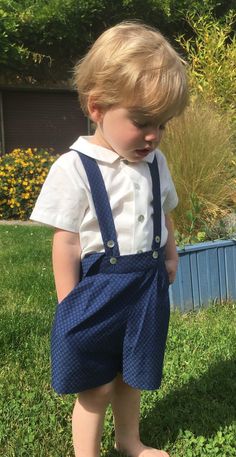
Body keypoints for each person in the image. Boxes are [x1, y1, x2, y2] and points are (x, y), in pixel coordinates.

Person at [30, 21, 188, 457]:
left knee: (131, 374)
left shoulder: (155, 162)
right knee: (95, 384)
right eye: (142, 122)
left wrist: (170, 256)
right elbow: (65, 242)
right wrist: (69, 303)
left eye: (162, 124)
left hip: (146, 285)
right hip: (97, 289)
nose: (153, 135)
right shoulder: (75, 167)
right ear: (97, 107)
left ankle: (129, 441)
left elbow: (163, 213)